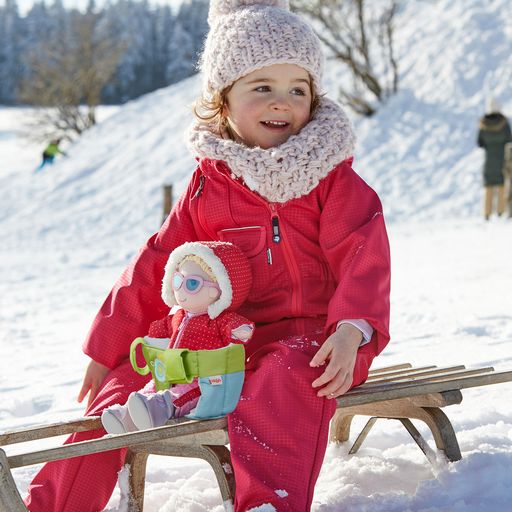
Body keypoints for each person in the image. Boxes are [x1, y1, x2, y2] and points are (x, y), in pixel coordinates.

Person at [24, 0, 391, 510]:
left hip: (316, 342)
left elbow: (364, 256)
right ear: (222, 100)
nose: (282, 102)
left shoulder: (330, 180)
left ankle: (267, 502)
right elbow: (157, 263)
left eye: (298, 89)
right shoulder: (209, 185)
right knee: (121, 390)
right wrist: (106, 348)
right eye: (262, 87)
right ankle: (51, 504)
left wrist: (353, 330)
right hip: (215, 342)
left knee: (285, 379)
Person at [101, 240, 254, 433]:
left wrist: (240, 331)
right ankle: (126, 417)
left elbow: (238, 328)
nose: (181, 290)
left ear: (219, 289)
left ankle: (156, 410)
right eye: (177, 281)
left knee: (177, 396)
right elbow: (161, 328)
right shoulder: (179, 317)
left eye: (191, 284)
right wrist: (153, 338)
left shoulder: (217, 320)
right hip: (171, 374)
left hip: (202, 381)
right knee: (149, 391)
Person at [477, 97, 512, 220]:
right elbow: (509, 139)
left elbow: (479, 142)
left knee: (488, 186)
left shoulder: (483, 124)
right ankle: (501, 211)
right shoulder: (504, 123)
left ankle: (487, 213)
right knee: (502, 184)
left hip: (489, 159)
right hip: (502, 158)